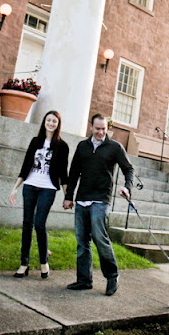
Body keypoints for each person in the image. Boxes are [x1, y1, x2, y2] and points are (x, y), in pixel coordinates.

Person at [63, 113, 133, 296]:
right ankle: (84, 280)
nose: (101, 132)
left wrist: (127, 187)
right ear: (91, 127)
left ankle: (112, 276)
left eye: (104, 129)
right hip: (82, 199)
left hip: (101, 199)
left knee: (99, 237)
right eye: (97, 129)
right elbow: (74, 172)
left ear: (107, 128)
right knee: (82, 241)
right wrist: (69, 196)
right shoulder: (82, 146)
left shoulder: (114, 147)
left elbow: (128, 168)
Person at [10, 110, 69, 279]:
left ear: (58, 125)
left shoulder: (62, 146)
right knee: (27, 223)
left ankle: (44, 262)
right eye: (48, 120)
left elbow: (63, 173)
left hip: (47, 188)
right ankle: (24, 264)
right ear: (44, 122)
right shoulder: (35, 141)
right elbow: (25, 166)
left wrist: (67, 196)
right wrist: (15, 187)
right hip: (30, 185)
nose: (51, 123)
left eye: (54, 121)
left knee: (39, 224)